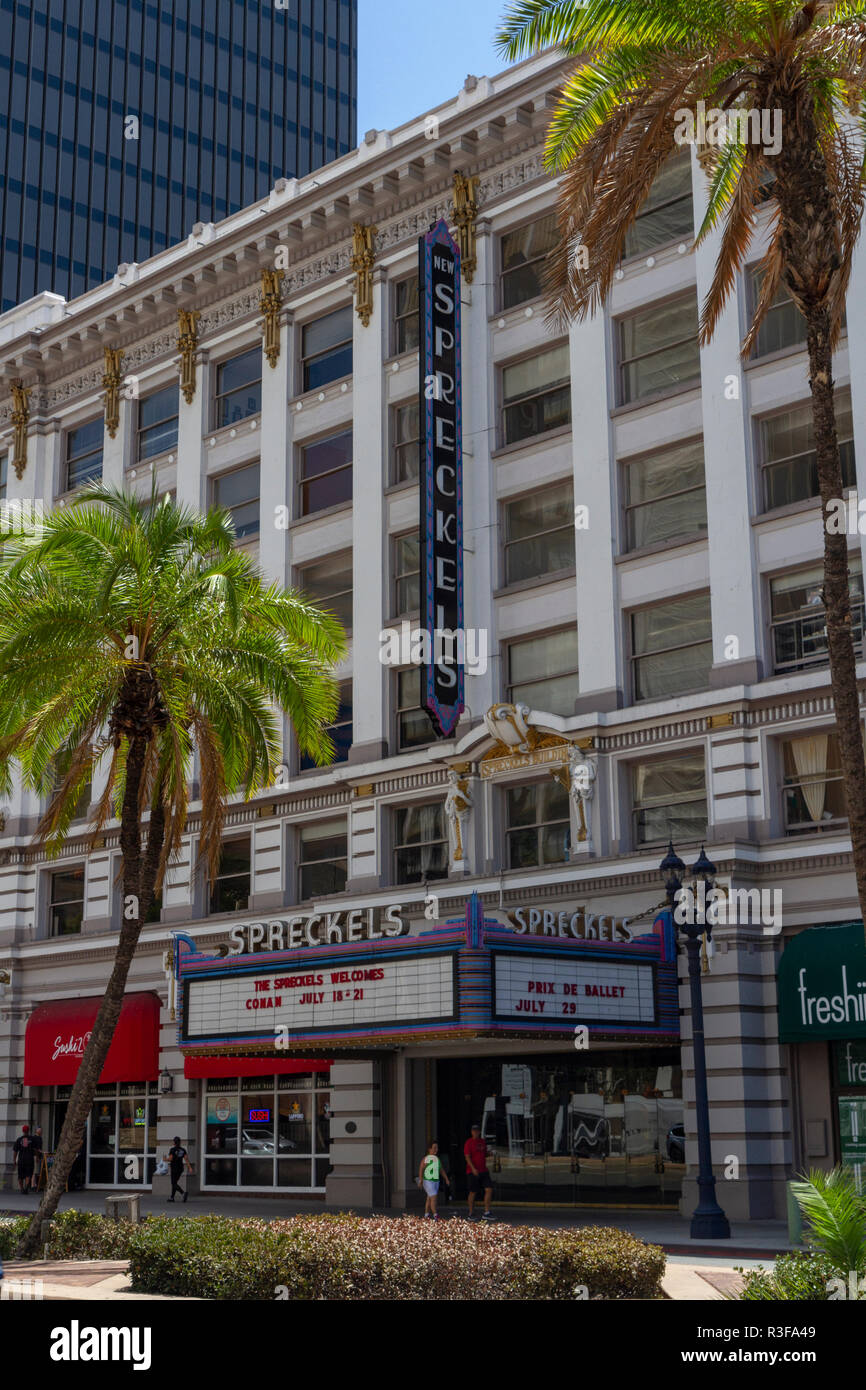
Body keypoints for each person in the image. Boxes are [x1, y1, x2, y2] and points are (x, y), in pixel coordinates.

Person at [463, 1122, 494, 1220]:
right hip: (473, 1171)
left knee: (489, 1189)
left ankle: (487, 1212)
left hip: (483, 1170)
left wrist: (490, 1153)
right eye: (474, 1131)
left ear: (479, 1132)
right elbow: (467, 1157)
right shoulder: (469, 1142)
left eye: (477, 1131)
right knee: (473, 1192)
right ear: (471, 1132)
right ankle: (471, 1213)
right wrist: (473, 1168)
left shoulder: (482, 1142)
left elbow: (484, 1154)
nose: (475, 1132)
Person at [417, 1139, 450, 1219]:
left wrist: (446, 1179)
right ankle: (435, 1214)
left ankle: (426, 1215)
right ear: (430, 1149)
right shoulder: (426, 1159)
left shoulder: (437, 1159)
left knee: (429, 1198)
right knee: (434, 1197)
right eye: (434, 1148)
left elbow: (441, 1170)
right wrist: (421, 1180)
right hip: (428, 1181)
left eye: (437, 1148)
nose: (436, 1150)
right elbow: (421, 1169)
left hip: (436, 1181)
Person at [166, 1136, 193, 1202]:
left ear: (174, 1142)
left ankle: (183, 1193)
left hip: (174, 1168)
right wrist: (190, 1167)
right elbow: (186, 1160)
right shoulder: (183, 1150)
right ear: (180, 1142)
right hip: (180, 1169)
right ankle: (172, 1198)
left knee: (173, 1183)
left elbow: (170, 1159)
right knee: (175, 1183)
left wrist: (165, 1159)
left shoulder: (172, 1150)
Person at [12, 1125, 36, 1194]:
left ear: (22, 1131)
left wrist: (14, 1160)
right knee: (28, 1174)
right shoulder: (32, 1139)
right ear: (28, 1130)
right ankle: (26, 1188)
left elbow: (15, 1151)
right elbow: (35, 1149)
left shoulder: (19, 1140)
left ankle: (22, 1188)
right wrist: (37, 1156)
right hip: (29, 1159)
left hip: (21, 1159)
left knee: (20, 1175)